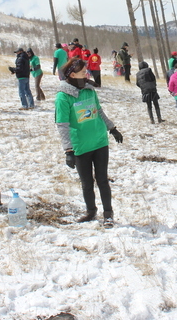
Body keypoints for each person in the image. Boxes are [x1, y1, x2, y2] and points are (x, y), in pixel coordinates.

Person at [55, 57, 123, 227]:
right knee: (87, 183)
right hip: (81, 146)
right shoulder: (63, 97)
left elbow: (98, 111)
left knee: (102, 180)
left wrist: (112, 128)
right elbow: (62, 125)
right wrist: (68, 151)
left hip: (100, 142)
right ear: (72, 74)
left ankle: (108, 214)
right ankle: (91, 211)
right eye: (82, 71)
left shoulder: (90, 90)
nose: (86, 73)